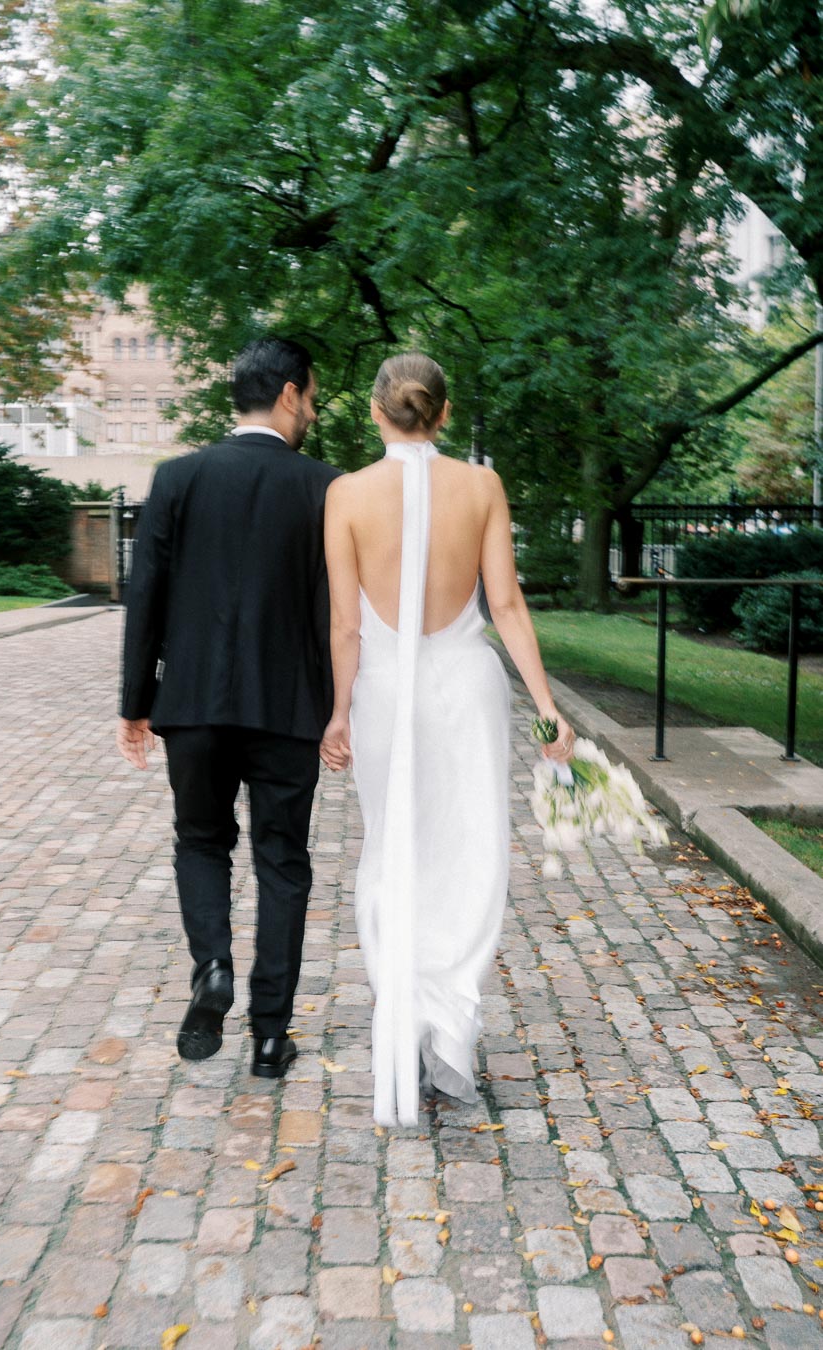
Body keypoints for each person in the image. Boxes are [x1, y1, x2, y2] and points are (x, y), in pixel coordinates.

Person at [321, 352, 573, 1126]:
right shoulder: (483, 487)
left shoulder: (347, 494)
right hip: (466, 686)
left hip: (387, 692)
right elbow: (506, 603)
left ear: (373, 412)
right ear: (445, 411)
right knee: (469, 855)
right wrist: (547, 706)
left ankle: (406, 1019)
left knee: (394, 850)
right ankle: (450, 1037)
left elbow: (345, 624)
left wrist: (337, 714)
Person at [117, 337, 340, 1079]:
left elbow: (143, 594)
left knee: (201, 841)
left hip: (195, 705)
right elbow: (333, 609)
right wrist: (339, 706)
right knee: (283, 862)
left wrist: (134, 703)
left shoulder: (177, 477)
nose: (312, 410)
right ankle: (270, 1038)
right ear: (287, 394)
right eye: (310, 396)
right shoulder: (323, 487)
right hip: (288, 707)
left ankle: (212, 966)